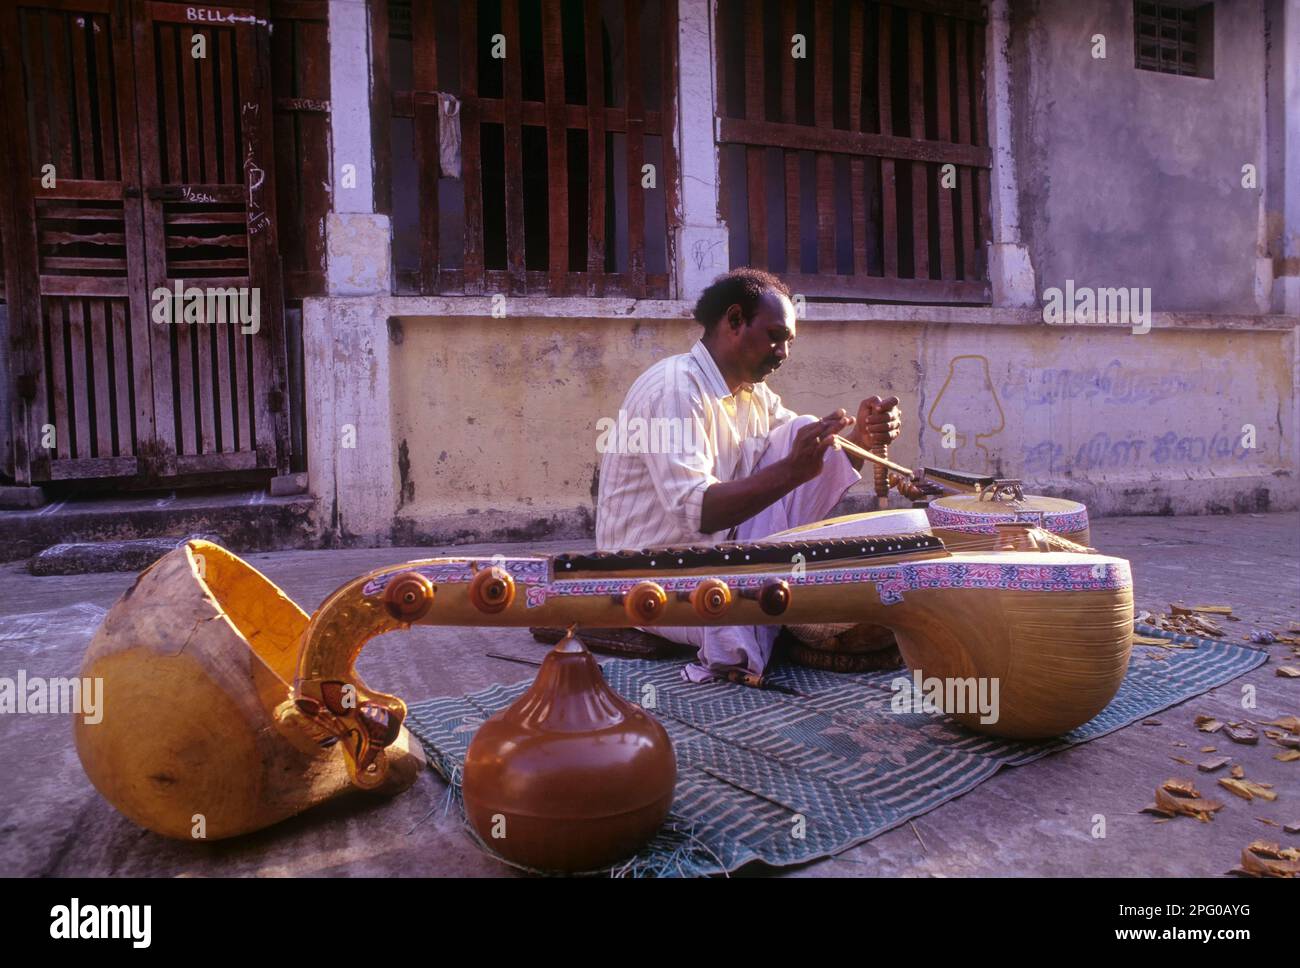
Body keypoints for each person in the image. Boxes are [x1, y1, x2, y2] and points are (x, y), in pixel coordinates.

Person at [594, 267, 902, 683]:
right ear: (735, 321)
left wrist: (862, 437)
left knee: (800, 430)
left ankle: (772, 612)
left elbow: (808, 461)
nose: (783, 353)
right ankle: (766, 622)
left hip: (716, 553)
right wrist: (791, 471)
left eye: (789, 342)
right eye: (775, 336)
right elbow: (699, 512)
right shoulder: (675, 389)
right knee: (732, 619)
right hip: (654, 574)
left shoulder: (752, 394)